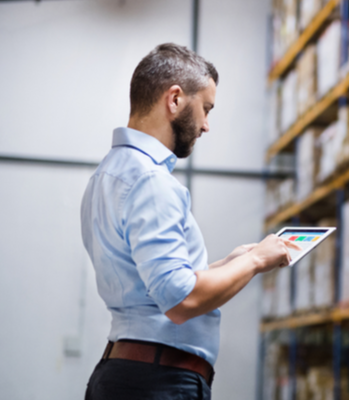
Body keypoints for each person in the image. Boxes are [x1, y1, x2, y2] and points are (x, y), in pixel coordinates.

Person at [80, 43, 299, 400]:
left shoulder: (108, 175)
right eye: (206, 109)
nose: (206, 126)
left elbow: (151, 284)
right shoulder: (151, 181)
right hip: (157, 382)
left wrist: (231, 263)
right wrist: (255, 261)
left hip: (129, 375)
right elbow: (179, 300)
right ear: (176, 99)